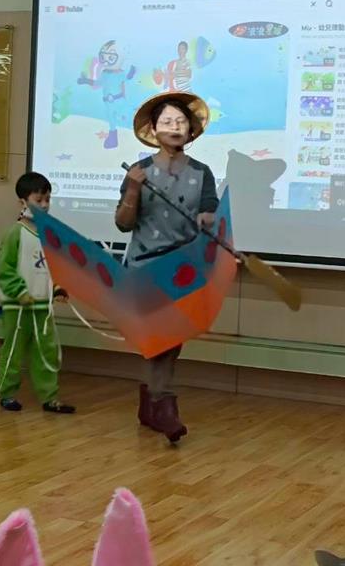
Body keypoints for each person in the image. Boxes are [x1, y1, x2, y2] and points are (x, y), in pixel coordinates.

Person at [115, 93, 217, 443]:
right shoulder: (139, 171)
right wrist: (133, 189)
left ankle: (150, 403)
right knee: (163, 338)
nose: (175, 127)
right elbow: (123, 224)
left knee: (171, 342)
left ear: (191, 129)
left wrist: (208, 218)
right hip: (145, 267)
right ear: (154, 129)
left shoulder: (202, 173)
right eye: (167, 122)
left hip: (183, 269)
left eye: (181, 121)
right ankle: (163, 405)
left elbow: (209, 210)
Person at [0, 172, 76, 414]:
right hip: (18, 308)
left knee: (46, 352)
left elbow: (53, 268)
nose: (44, 205)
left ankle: (49, 397)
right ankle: (7, 393)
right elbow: (4, 269)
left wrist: (57, 288)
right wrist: (19, 291)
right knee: (14, 350)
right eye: (38, 200)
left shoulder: (49, 236)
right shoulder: (15, 233)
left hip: (42, 306)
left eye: (47, 199)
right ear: (23, 202)